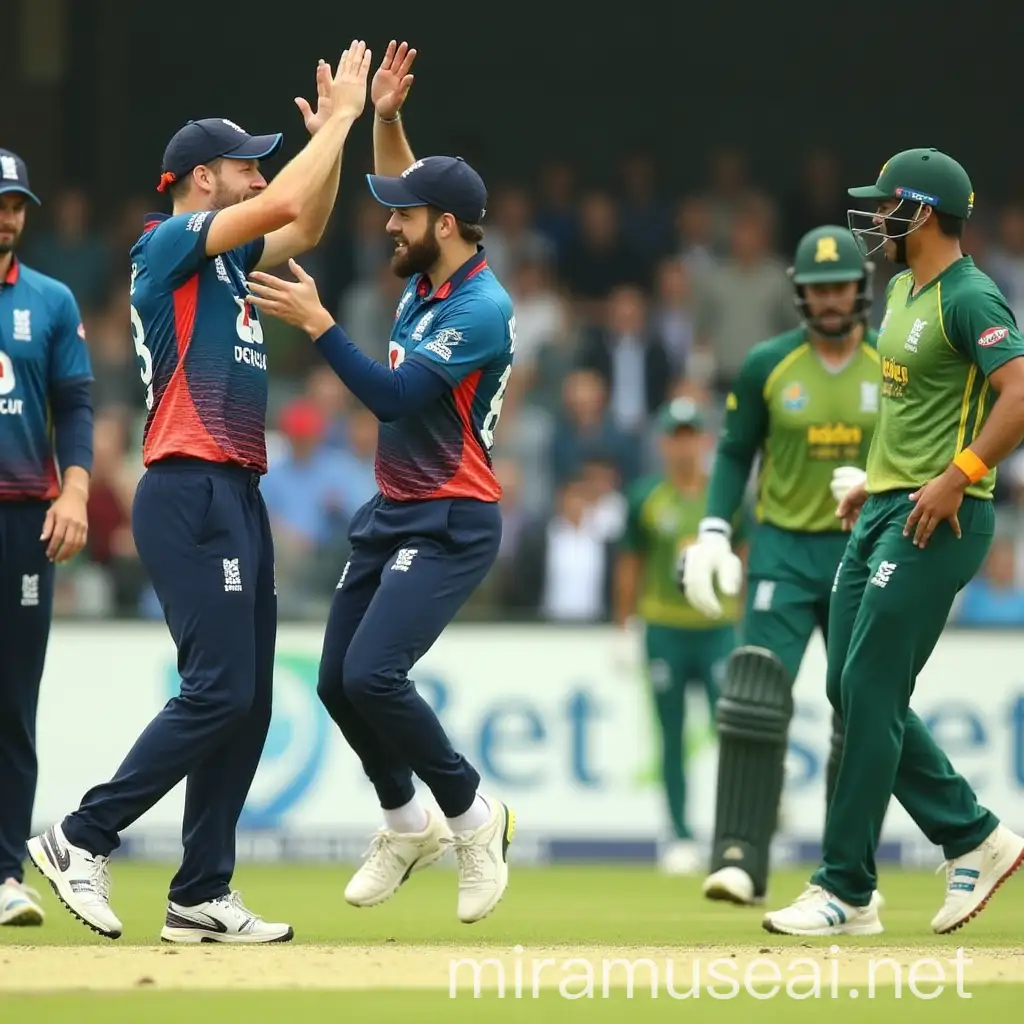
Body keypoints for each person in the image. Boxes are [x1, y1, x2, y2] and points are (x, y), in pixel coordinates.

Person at [28, 43, 374, 943]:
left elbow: (309, 221)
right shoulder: (167, 241)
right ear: (199, 180)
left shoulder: (226, 258)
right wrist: (338, 121)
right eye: (243, 165)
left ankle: (200, 894)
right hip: (186, 488)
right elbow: (290, 200)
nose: (257, 174)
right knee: (220, 690)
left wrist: (336, 139)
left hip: (238, 490)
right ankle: (79, 835)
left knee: (250, 698)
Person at [247, 41, 515, 925]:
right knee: (334, 679)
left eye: (406, 219)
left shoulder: (480, 308)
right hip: (396, 507)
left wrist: (323, 324)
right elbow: (412, 188)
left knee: (375, 674)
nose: (388, 226)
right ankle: (406, 822)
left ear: (444, 226)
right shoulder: (432, 270)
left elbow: (397, 398)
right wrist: (387, 120)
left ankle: (474, 819)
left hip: (452, 517)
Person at [763, 148, 1024, 937]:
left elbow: (1019, 393)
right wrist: (870, 485)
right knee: (851, 688)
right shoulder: (906, 288)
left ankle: (845, 887)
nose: (876, 217)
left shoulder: (971, 295)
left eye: (887, 205)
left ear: (923, 212)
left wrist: (961, 472)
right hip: (885, 508)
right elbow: (912, 415)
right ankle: (974, 835)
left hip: (942, 515)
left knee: (870, 690)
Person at [679, 225, 881, 907]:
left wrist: (880, 481)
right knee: (756, 696)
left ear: (860, 288)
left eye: (840, 286)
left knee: (860, 709)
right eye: (818, 288)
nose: (830, 299)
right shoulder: (769, 364)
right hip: (783, 549)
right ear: (800, 292)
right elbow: (735, 451)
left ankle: (846, 872)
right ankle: (738, 854)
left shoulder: (893, 368)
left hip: (864, 549)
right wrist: (713, 528)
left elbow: (926, 450)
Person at [0, 150, 93, 928]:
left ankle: (2, 874)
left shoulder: (51, 300)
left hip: (24, 518)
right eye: (0, 202)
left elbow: (79, 404)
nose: (8, 216)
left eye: (17, 204)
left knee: (12, 703)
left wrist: (78, 486)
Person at [614, 397, 744, 875]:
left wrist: (745, 622)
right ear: (665, 442)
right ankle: (681, 835)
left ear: (705, 440)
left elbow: (745, 556)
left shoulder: (724, 497)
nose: (684, 445)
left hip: (715, 630)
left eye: (692, 434)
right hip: (665, 629)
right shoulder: (647, 498)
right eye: (676, 435)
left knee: (730, 729)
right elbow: (630, 563)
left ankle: (737, 832)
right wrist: (624, 626)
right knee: (670, 737)